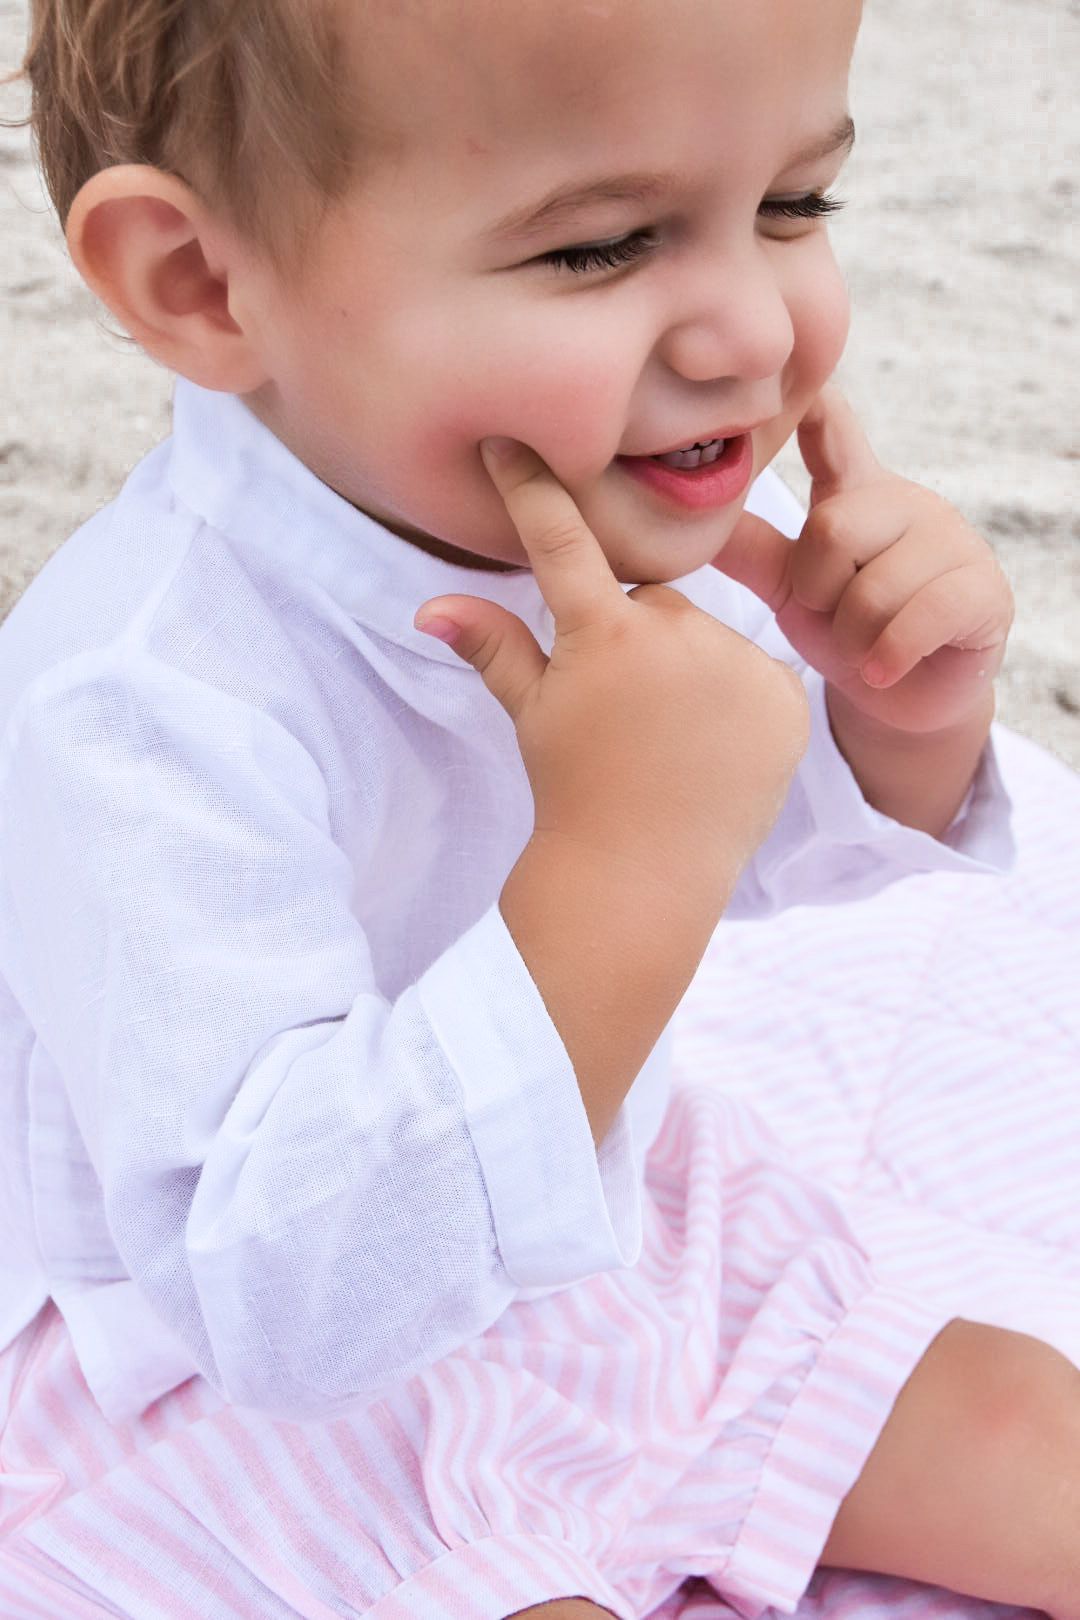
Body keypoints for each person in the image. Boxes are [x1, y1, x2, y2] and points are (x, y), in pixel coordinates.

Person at [1, 0, 1078, 1617]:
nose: (749, 335)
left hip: (596, 1227)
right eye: (602, 247)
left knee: (1027, 1431)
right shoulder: (137, 708)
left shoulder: (624, 506)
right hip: (245, 1371)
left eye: (792, 207)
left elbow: (746, 827)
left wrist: (889, 723)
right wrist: (617, 862)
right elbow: (284, 1287)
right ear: (201, 283)